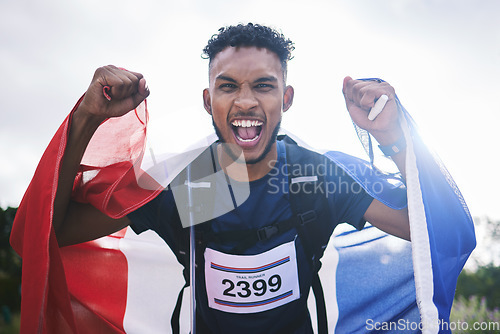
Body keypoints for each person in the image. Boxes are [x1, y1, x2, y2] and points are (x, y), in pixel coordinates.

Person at [51, 23, 411, 333]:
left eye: (263, 86)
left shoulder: (314, 177)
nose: (245, 102)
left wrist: (394, 136)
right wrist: (86, 117)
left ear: (286, 98)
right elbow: (51, 233)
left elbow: (423, 228)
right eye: (228, 87)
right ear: (209, 102)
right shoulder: (188, 188)